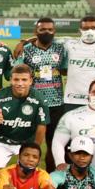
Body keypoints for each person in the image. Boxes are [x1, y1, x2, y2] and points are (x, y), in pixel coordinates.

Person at [13, 17, 65, 167]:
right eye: (42, 29)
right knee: (28, 144)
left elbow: (66, 69)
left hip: (56, 103)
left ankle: (51, 178)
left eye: (50, 29)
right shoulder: (27, 50)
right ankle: (23, 175)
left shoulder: (60, 48)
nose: (46, 32)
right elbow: (16, 72)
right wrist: (24, 43)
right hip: (33, 102)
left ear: (54, 31)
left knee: (54, 143)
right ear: (36, 31)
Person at [0, 64, 48, 169]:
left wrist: (35, 148)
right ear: (11, 80)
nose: (20, 84)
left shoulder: (39, 99)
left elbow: (41, 126)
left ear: (30, 81)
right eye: (16, 80)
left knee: (28, 171)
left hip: (27, 142)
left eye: (24, 80)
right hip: (2, 140)